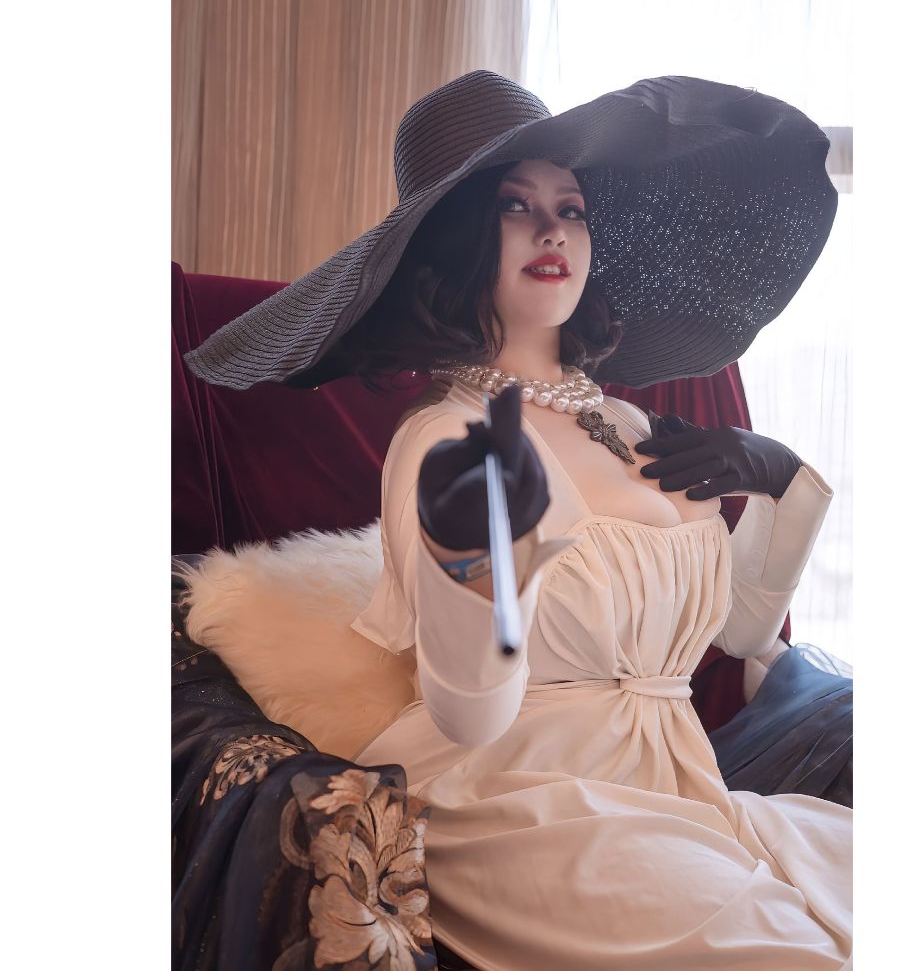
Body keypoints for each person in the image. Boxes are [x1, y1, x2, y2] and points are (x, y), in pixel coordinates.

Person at [185, 71, 852, 970]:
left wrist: (779, 482)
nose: (552, 230)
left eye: (570, 208)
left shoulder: (630, 425)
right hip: (524, 805)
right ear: (453, 242)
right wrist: (483, 574)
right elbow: (470, 715)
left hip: (683, 790)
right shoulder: (442, 441)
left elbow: (737, 635)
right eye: (514, 205)